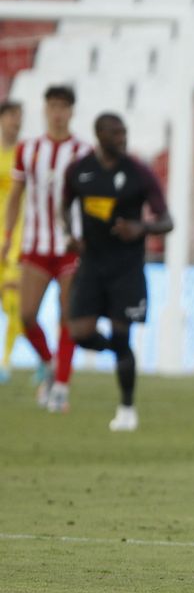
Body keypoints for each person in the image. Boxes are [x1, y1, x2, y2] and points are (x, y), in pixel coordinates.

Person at [59, 113, 172, 430]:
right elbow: (65, 205)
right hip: (92, 264)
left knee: (122, 334)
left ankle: (126, 408)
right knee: (79, 333)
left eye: (124, 133)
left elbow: (167, 221)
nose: (122, 138)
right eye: (115, 133)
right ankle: (120, 352)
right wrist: (70, 234)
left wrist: (141, 228)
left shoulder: (139, 173)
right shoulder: (79, 171)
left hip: (127, 269)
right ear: (99, 135)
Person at [1, 85, 93, 411]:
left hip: (69, 247)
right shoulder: (29, 150)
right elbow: (15, 197)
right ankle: (50, 362)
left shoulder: (83, 153)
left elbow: (91, 201)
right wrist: (7, 236)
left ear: (71, 112)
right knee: (26, 314)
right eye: (53, 106)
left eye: (63, 107)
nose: (58, 113)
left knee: (68, 317)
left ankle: (61, 389)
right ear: (45, 109)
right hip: (35, 246)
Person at [0, 100, 23, 381]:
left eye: (19, 117)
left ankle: (5, 360)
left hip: (17, 238)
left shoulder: (25, 154)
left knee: (14, 303)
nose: (16, 122)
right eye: (11, 116)